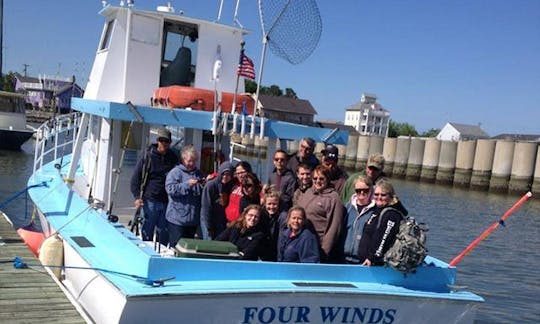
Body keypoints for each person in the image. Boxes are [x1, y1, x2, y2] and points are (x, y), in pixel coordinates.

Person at [130, 127, 178, 245]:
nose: (164, 143)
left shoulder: (173, 157)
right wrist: (137, 197)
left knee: (164, 233)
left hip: (167, 202)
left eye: (166, 141)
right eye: (161, 140)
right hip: (150, 201)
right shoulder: (148, 156)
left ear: (170, 142)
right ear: (157, 141)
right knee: (147, 232)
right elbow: (135, 179)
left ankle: (163, 256)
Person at [296, 165, 344, 263]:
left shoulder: (333, 198)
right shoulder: (308, 192)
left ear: (328, 179)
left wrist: (324, 251)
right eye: (315, 178)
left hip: (317, 245)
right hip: (300, 241)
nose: (318, 181)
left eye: (321, 178)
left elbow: (334, 228)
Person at [357, 179, 405, 266]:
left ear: (390, 197)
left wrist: (372, 258)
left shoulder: (391, 214)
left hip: (376, 264)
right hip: (364, 262)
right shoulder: (378, 211)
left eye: (383, 195)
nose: (379, 197)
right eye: (376, 194)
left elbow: (384, 238)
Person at [165, 145, 205, 247]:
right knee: (176, 247)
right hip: (177, 220)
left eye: (194, 161)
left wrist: (205, 183)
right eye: (189, 161)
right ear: (183, 159)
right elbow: (170, 189)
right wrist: (187, 184)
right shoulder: (175, 172)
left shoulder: (199, 174)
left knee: (188, 248)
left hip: (192, 221)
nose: (192, 164)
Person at [342, 175, 376, 264]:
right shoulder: (347, 208)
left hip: (363, 261)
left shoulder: (376, 211)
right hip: (343, 258)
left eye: (365, 190)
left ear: (371, 190)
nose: (361, 193)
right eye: (358, 190)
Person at [200, 162, 235, 240]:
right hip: (208, 219)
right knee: (209, 242)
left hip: (221, 221)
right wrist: (208, 226)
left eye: (228, 175)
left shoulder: (230, 185)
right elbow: (206, 207)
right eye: (223, 174)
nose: (225, 177)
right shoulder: (210, 186)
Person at [259, 188, 288, 261]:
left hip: (277, 253)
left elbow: (282, 239)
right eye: (269, 204)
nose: (271, 207)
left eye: (274, 204)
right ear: (265, 204)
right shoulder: (261, 215)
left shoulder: (283, 217)